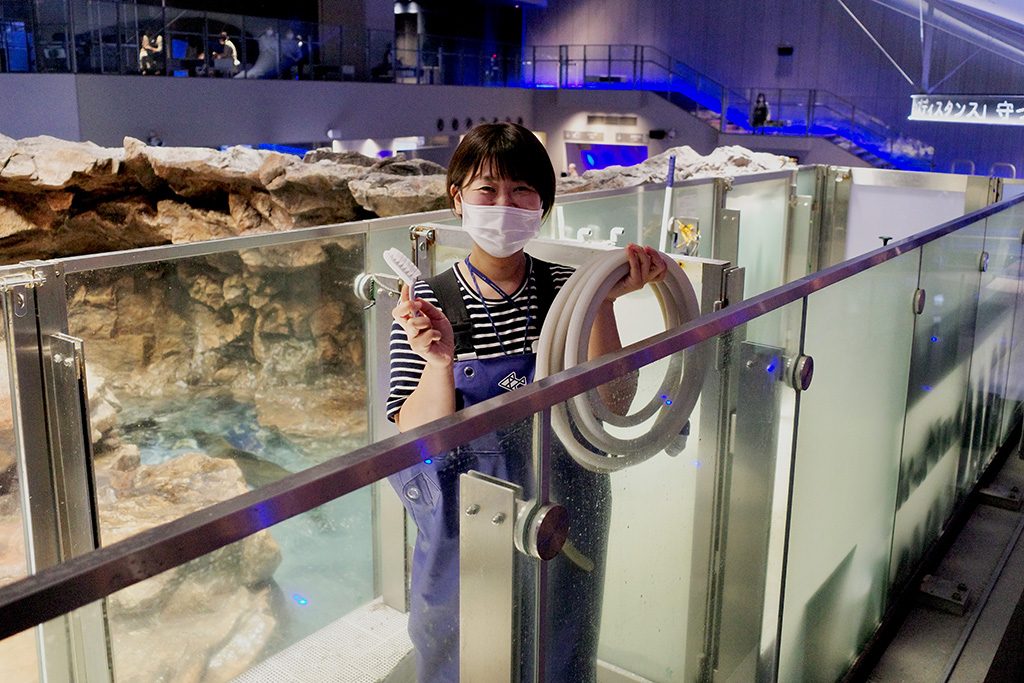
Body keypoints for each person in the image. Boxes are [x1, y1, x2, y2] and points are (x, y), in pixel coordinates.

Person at [386, 123, 666, 682]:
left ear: (543, 204)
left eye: (521, 191)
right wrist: (440, 363)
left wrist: (603, 305)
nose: (503, 205)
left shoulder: (573, 289)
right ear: (457, 198)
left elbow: (611, 401)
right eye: (486, 190)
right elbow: (413, 434)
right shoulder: (426, 304)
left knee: (560, 643)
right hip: (464, 519)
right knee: (461, 650)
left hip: (562, 505)